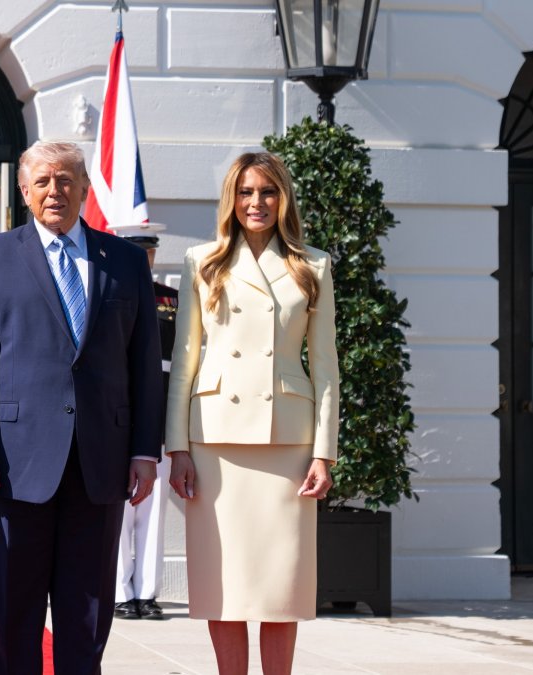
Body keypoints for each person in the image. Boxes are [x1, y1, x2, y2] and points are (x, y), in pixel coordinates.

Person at [0, 140, 164, 674]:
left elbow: (144, 364)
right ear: (23, 191)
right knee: (17, 608)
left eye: (66, 179)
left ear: (85, 189)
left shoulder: (126, 262)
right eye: (42, 181)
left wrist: (145, 451)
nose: (54, 191)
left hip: (102, 460)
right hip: (14, 464)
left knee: (88, 611)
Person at [165, 152, 339, 675]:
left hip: (287, 440)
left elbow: (327, 368)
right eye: (245, 193)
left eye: (266, 192)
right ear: (231, 201)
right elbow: (184, 362)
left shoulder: (313, 265)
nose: (256, 202)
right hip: (216, 439)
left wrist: (324, 453)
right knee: (226, 586)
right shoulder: (203, 260)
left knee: (282, 585)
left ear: (282, 198)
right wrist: (177, 447)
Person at [109, 222, 176, 622]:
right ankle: (119, 590)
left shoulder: (170, 299)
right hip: (116, 416)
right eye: (137, 249)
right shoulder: (107, 292)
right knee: (117, 512)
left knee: (153, 511)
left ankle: (147, 593)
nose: (144, 257)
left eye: (148, 251)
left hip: (160, 414)